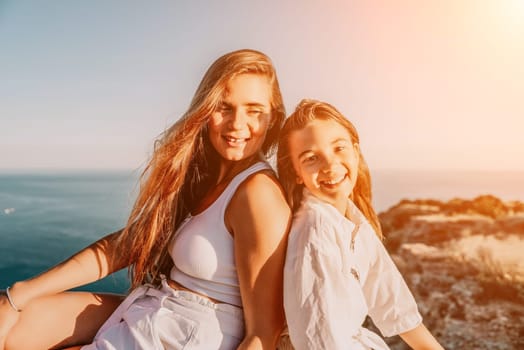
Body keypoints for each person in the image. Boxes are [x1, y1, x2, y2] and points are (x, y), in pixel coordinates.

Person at [0, 49, 291, 350]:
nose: (237, 123)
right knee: (10, 320)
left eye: (254, 110)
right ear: (205, 110)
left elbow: (263, 335)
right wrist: (19, 294)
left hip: (182, 337)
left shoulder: (259, 193)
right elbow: (125, 246)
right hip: (152, 313)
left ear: (274, 117)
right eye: (224, 107)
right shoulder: (206, 179)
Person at [276, 99, 444, 350]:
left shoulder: (353, 219)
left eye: (339, 148)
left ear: (356, 151)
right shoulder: (316, 229)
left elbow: (393, 303)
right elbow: (320, 342)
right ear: (297, 173)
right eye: (311, 158)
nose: (330, 165)